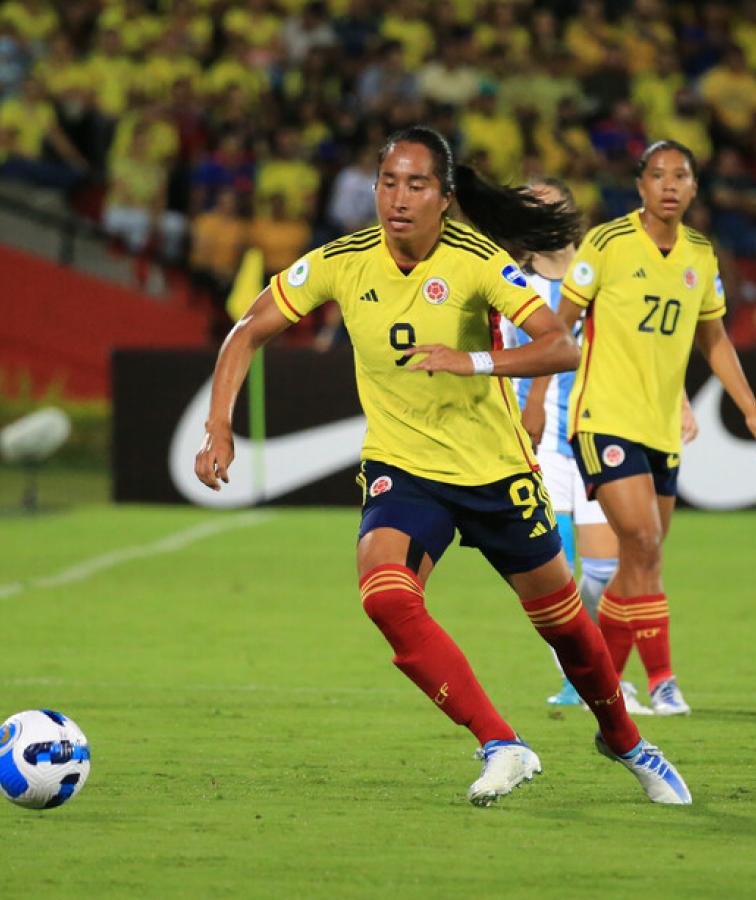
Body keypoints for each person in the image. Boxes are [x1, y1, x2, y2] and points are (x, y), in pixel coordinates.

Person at [193, 125, 692, 807]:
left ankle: (627, 739)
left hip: (493, 470)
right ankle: (501, 742)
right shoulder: (343, 259)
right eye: (388, 182)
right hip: (405, 467)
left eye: (417, 184)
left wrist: (474, 360)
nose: (398, 198)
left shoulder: (479, 260)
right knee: (384, 593)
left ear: (446, 197)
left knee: (565, 625)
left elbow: (558, 346)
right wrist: (218, 425)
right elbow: (246, 329)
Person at [532, 140, 756, 716]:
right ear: (640, 185)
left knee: (640, 559)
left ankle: (606, 684)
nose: (669, 185)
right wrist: (541, 399)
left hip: (659, 428)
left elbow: (714, 338)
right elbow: (560, 327)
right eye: (657, 175)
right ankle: (664, 680)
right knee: (642, 545)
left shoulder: (700, 253)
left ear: (695, 188)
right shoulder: (606, 243)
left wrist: (750, 409)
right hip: (601, 419)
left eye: (682, 176)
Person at [501, 177, 693, 715]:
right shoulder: (510, 281)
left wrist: (676, 399)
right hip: (536, 446)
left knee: (608, 571)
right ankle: (585, 679)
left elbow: (647, 345)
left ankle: (602, 669)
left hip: (600, 434)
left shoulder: (604, 270)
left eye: (551, 205)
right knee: (552, 575)